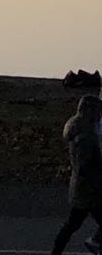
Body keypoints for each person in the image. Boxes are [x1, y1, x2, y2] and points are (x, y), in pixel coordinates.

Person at [51, 93, 102, 255]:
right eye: (97, 111)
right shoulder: (86, 135)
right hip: (90, 190)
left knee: (72, 224)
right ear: (89, 111)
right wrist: (98, 184)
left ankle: (56, 251)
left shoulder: (77, 128)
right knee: (73, 224)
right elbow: (85, 165)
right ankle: (95, 242)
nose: (99, 115)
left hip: (81, 188)